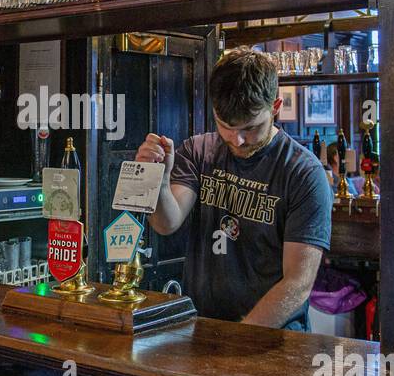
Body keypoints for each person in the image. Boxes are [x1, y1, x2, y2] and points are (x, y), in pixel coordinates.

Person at [135, 47, 332, 329]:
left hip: (272, 340)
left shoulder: (303, 173)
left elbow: (298, 282)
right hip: (202, 328)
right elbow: (167, 223)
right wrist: (160, 180)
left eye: (250, 128)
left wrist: (240, 334)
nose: (236, 140)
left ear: (275, 107)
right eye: (225, 125)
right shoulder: (198, 151)